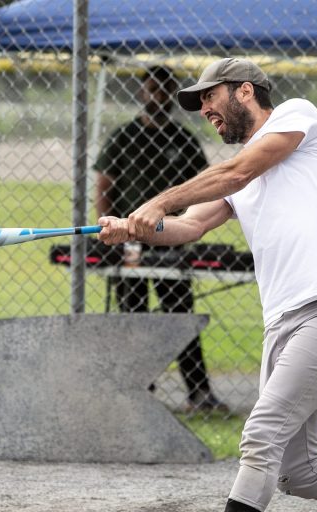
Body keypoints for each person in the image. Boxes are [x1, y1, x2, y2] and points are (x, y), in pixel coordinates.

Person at [98, 57, 317, 512]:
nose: (204, 110)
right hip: (281, 322)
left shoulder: (296, 116)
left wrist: (157, 201)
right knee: (297, 472)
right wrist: (136, 227)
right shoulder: (238, 175)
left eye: (210, 97)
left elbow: (234, 173)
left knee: (260, 435)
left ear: (244, 91)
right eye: (199, 103)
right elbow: (190, 226)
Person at [93, 65, 227, 413]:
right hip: (130, 241)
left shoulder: (182, 138)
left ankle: (199, 391)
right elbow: (104, 187)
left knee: (180, 315)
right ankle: (139, 388)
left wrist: (187, 225)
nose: (157, 96)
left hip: (171, 240)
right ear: (141, 92)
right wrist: (111, 228)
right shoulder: (125, 136)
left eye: (164, 90)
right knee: (134, 316)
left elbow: (201, 187)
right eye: (151, 89)